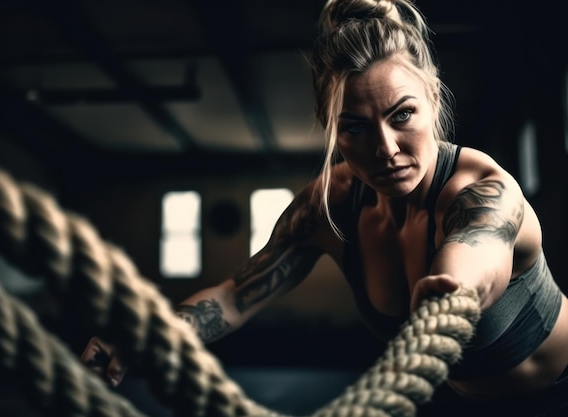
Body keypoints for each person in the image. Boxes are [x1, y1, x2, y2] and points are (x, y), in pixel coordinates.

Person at [81, 0, 568, 415]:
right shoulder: (329, 205)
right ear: (331, 127)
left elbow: (475, 259)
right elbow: (234, 297)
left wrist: (452, 291)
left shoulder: (483, 192)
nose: (386, 148)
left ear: (433, 99)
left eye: (402, 115)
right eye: (355, 127)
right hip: (453, 403)